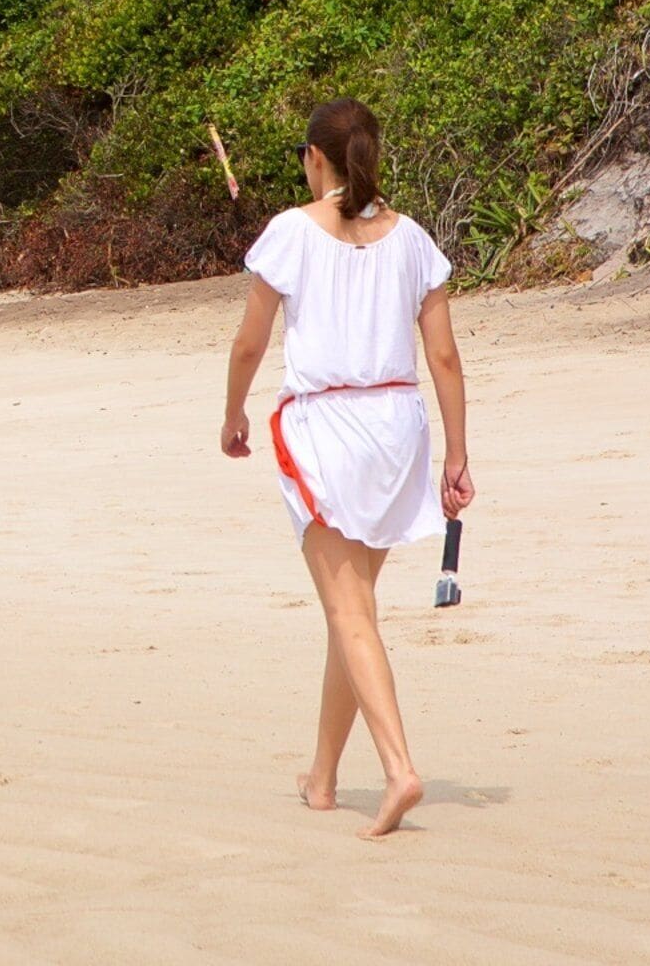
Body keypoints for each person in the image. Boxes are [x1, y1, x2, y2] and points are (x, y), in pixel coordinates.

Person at [219, 99, 474, 840]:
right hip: (398, 429)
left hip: (327, 426)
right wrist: (457, 454)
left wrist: (232, 414)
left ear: (314, 159)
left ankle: (399, 770)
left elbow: (248, 343)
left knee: (347, 611)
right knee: (352, 609)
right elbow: (446, 358)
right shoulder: (414, 239)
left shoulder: (292, 231)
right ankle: (324, 778)